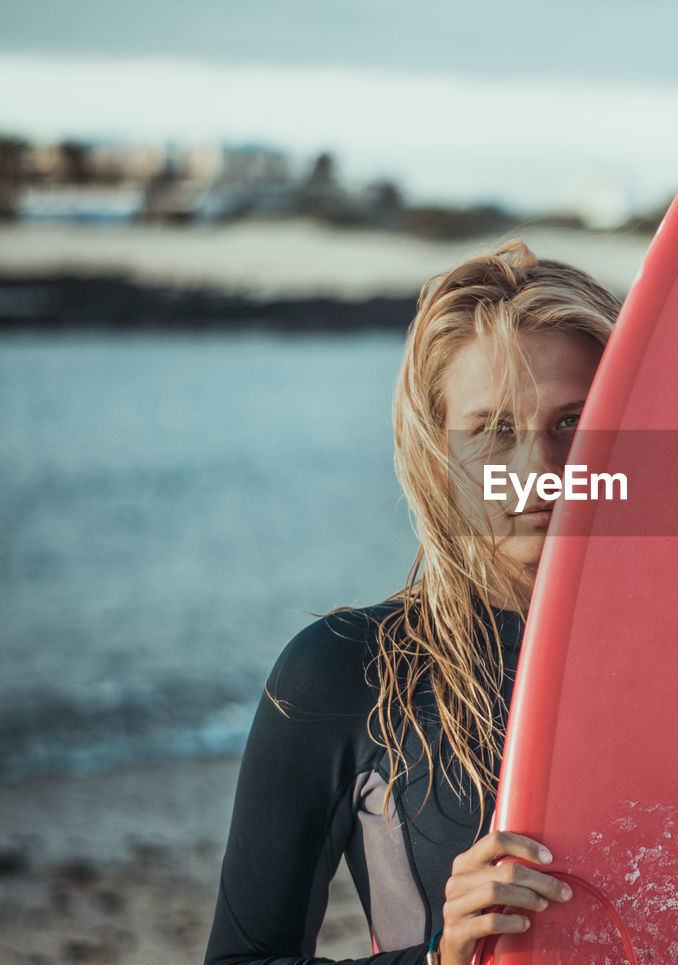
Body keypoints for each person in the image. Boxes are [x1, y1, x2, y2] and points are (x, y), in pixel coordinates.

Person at [204, 240, 621, 965]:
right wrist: (439, 958)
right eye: (494, 431)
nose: (539, 472)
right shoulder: (344, 674)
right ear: (438, 451)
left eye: (572, 423)